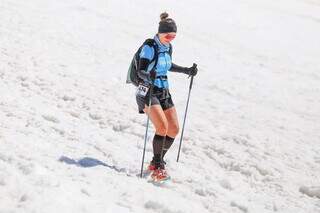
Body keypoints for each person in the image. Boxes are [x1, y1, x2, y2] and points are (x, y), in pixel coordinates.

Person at [136, 12, 198, 181]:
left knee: (174, 129)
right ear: (161, 32)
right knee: (162, 127)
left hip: (164, 91)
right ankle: (158, 166)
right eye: (168, 35)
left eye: (174, 36)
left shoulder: (168, 47)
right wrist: (150, 75)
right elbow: (141, 71)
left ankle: (156, 161)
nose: (171, 38)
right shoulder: (150, 46)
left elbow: (168, 65)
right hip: (148, 91)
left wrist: (186, 70)